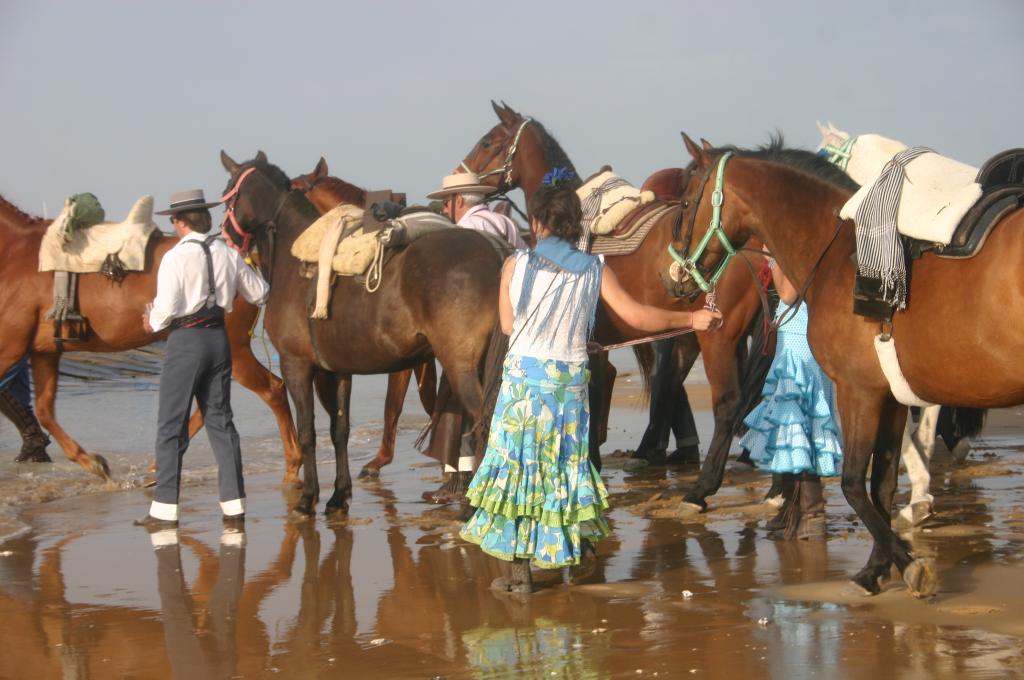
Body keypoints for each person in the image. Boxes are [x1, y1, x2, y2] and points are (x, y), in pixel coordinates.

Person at [459, 169, 723, 593]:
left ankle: (519, 573)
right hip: (567, 388)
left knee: (521, 470)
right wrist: (691, 318)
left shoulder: (515, 264)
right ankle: (564, 551)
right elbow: (637, 317)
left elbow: (508, 327)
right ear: (574, 224)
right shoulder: (595, 268)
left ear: (540, 223)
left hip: (523, 386)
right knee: (563, 469)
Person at [134, 190, 269, 530]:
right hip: (218, 339)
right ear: (205, 220)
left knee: (170, 425)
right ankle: (234, 506)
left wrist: (151, 321)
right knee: (221, 421)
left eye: (173, 220)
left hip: (186, 341)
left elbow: (164, 313)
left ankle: (164, 510)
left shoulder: (175, 257)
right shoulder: (226, 252)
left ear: (179, 222)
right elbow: (260, 293)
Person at [739, 247, 843, 540]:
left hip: (799, 343)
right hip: (797, 338)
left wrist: (775, 256)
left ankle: (813, 513)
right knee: (796, 429)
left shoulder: (797, 253)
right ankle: (797, 510)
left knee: (799, 429)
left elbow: (787, 294)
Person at [427, 171, 528, 250]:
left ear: (458, 200)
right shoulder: (505, 221)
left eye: (445, 203)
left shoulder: (465, 228)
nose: (445, 210)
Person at [0, 357, 51, 462]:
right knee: (19, 400)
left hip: (14, 345)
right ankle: (38, 455)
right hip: (20, 347)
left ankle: (34, 438)